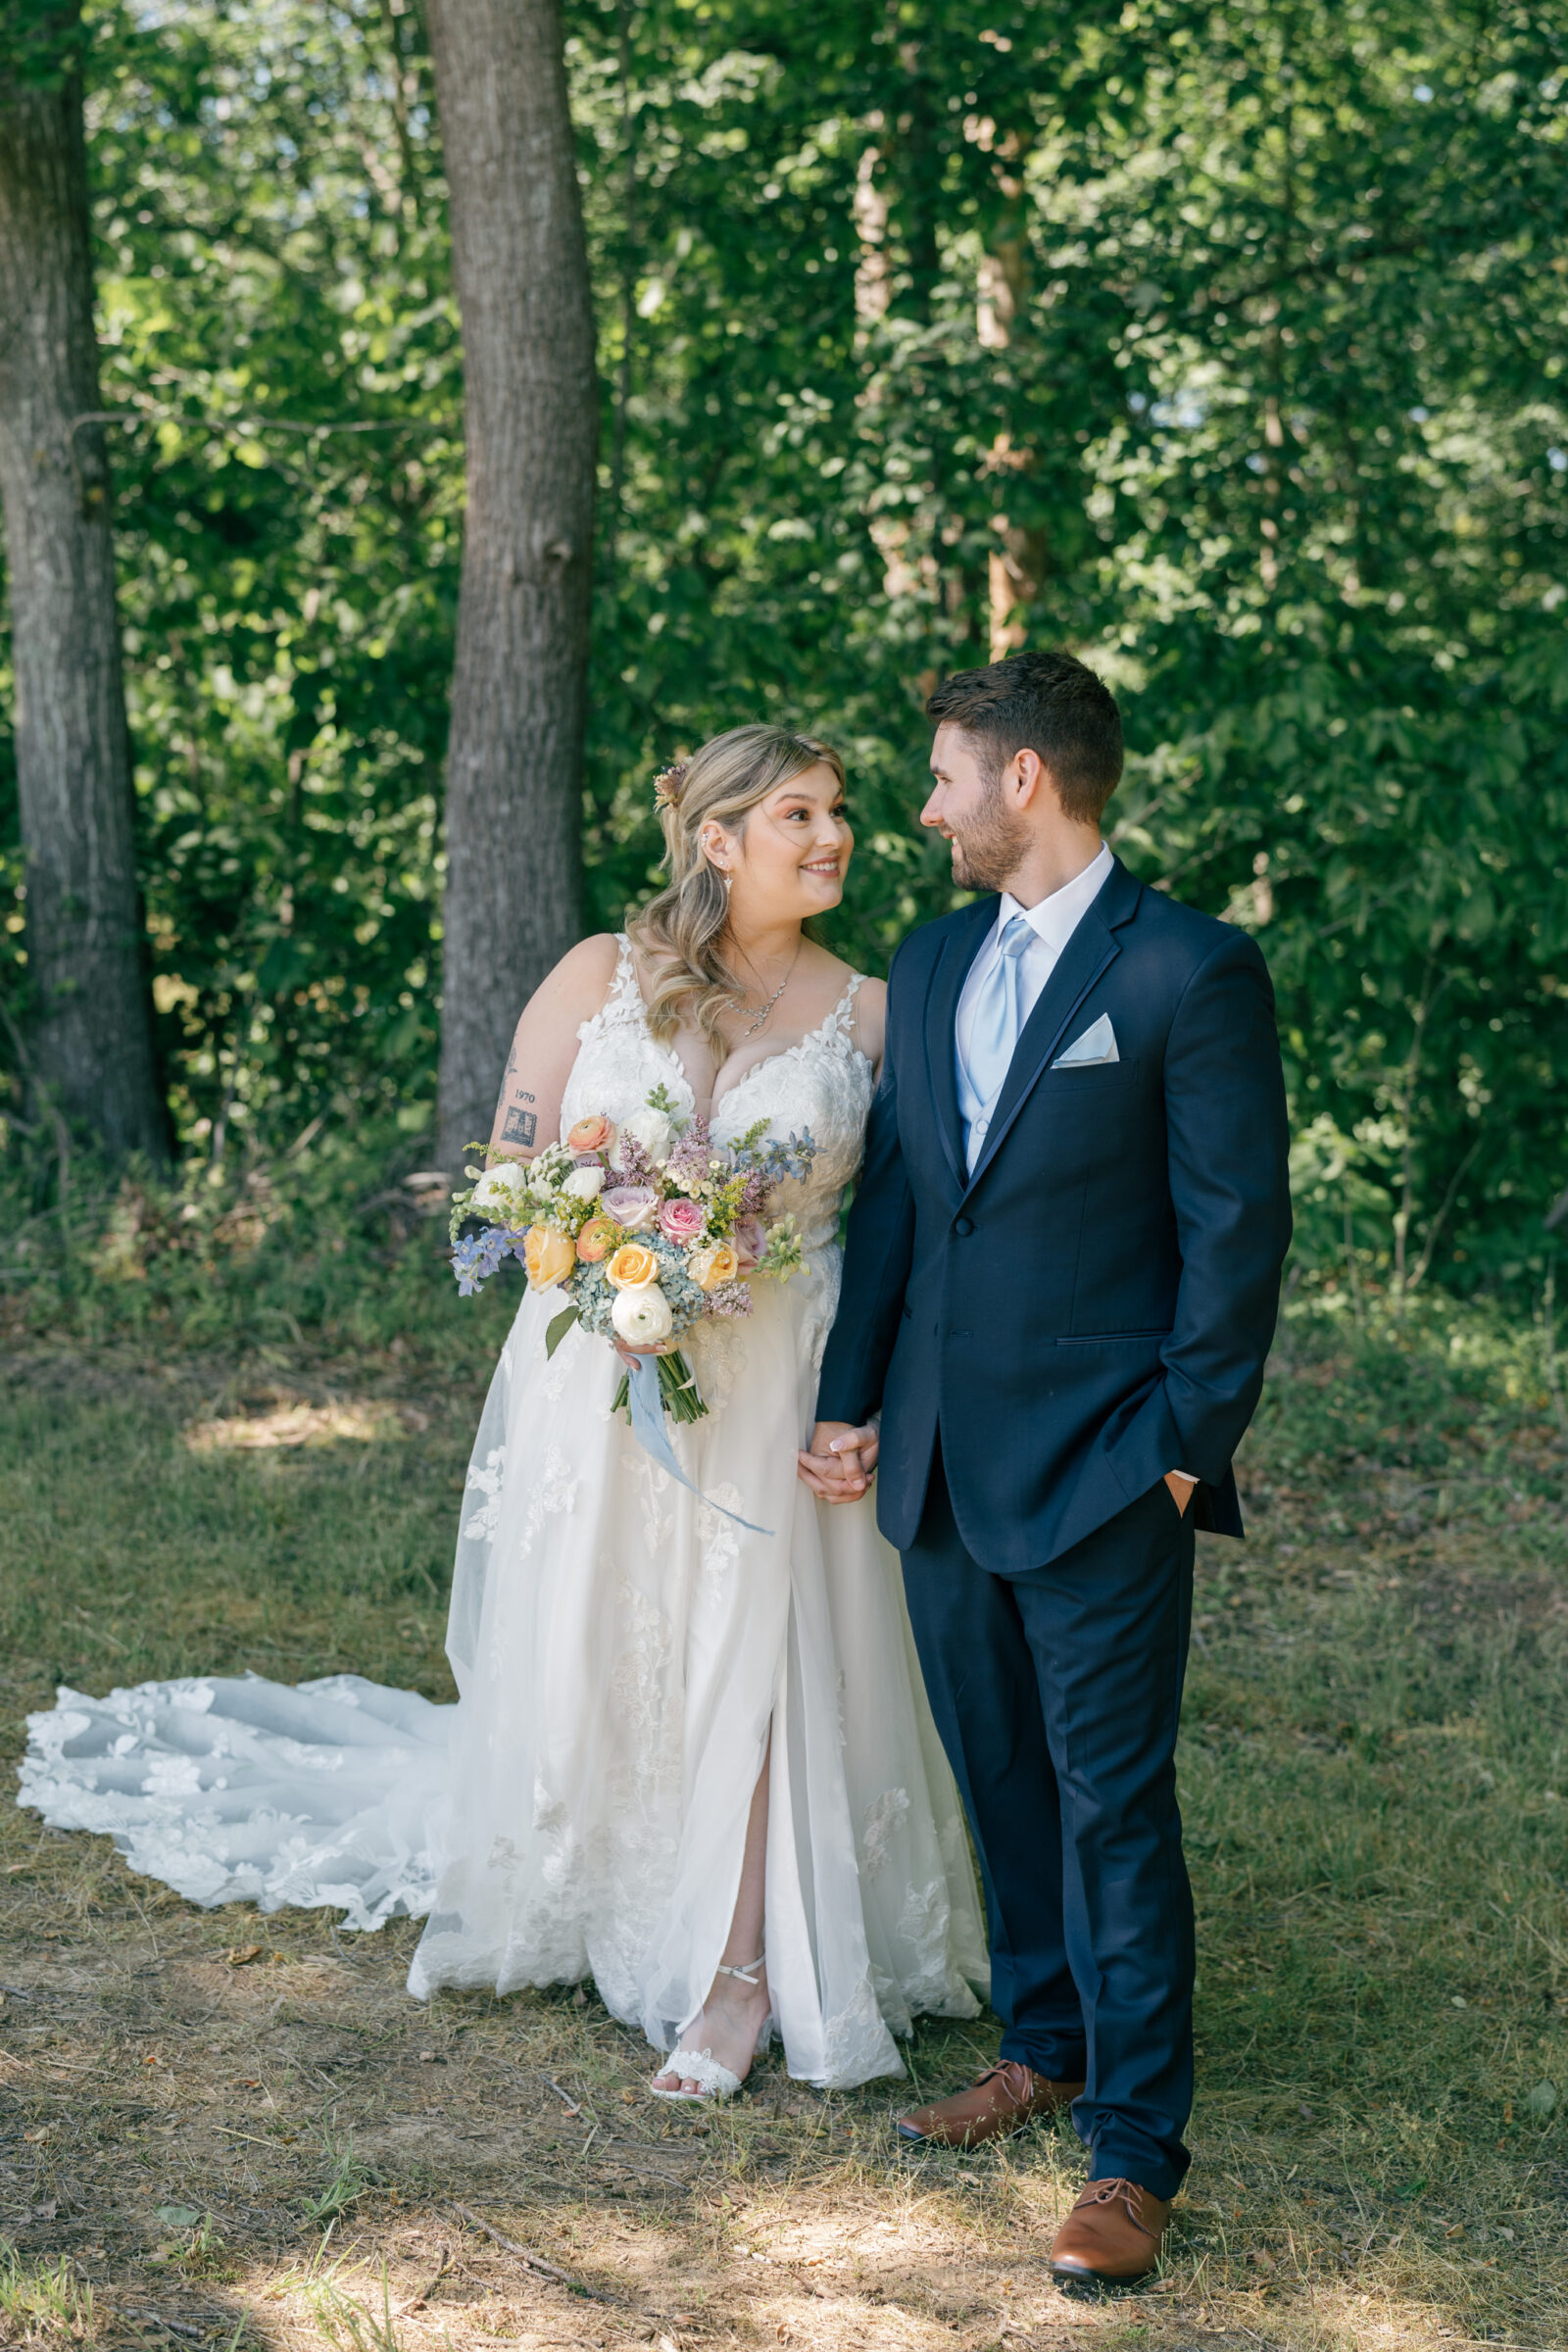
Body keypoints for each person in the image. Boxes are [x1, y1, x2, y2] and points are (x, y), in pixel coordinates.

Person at [20, 723, 986, 2103]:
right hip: (600, 1365)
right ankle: (603, 1882)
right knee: (615, 1635)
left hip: (784, 1374)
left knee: (762, 1653)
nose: (833, 836)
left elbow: (903, 1230)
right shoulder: (596, 976)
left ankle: (744, 1972)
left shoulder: (875, 1012)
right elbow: (510, 1170)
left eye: (838, 812)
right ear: (717, 840)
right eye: (797, 814)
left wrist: (870, 1393)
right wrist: (600, 1243)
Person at [802, 651, 1292, 2285]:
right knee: (999, 1770)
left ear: (1028, 781)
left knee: (1111, 1802)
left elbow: (1236, 1239)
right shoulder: (932, 957)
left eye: (944, 775)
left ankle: (1137, 2148)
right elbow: (899, 1200)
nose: (924, 807)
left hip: (1103, 1467)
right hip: (937, 1456)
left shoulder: (1188, 972)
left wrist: (1177, 1454)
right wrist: (850, 1394)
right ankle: (1047, 2038)